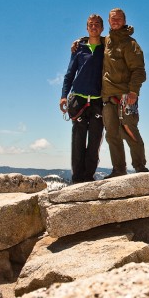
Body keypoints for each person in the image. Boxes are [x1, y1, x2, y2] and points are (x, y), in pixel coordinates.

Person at [101, 8, 149, 178]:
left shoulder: (130, 44)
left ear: (124, 20)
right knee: (112, 134)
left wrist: (134, 92)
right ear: (108, 21)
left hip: (126, 96)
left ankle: (140, 166)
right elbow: (91, 41)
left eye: (119, 19)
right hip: (107, 96)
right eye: (113, 19)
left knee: (129, 130)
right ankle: (118, 169)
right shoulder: (105, 41)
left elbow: (139, 70)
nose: (116, 21)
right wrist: (79, 41)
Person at [60, 14, 105, 184]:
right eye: (90, 25)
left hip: (98, 100)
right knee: (78, 141)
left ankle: (88, 177)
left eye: (97, 24)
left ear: (102, 28)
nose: (93, 27)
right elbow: (70, 73)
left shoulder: (106, 47)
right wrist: (63, 96)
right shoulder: (79, 48)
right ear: (87, 28)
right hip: (78, 99)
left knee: (94, 141)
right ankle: (77, 179)